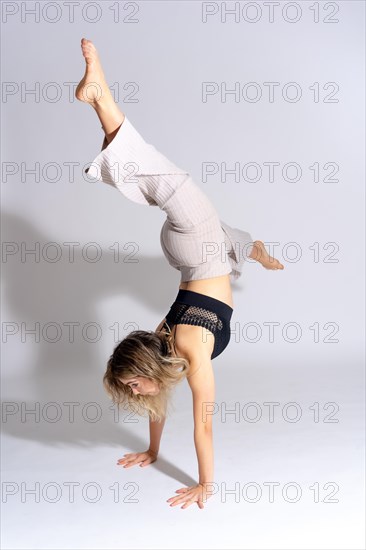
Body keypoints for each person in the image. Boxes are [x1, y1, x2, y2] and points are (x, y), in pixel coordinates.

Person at [76, 38, 284, 509]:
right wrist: (152, 451)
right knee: (225, 233)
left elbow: (203, 424)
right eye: (131, 386)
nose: (134, 392)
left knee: (158, 176)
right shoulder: (166, 343)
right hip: (197, 251)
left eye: (131, 383)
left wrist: (205, 486)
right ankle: (259, 252)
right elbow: (167, 406)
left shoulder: (183, 343)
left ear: (148, 366)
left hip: (195, 249)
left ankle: (101, 95)